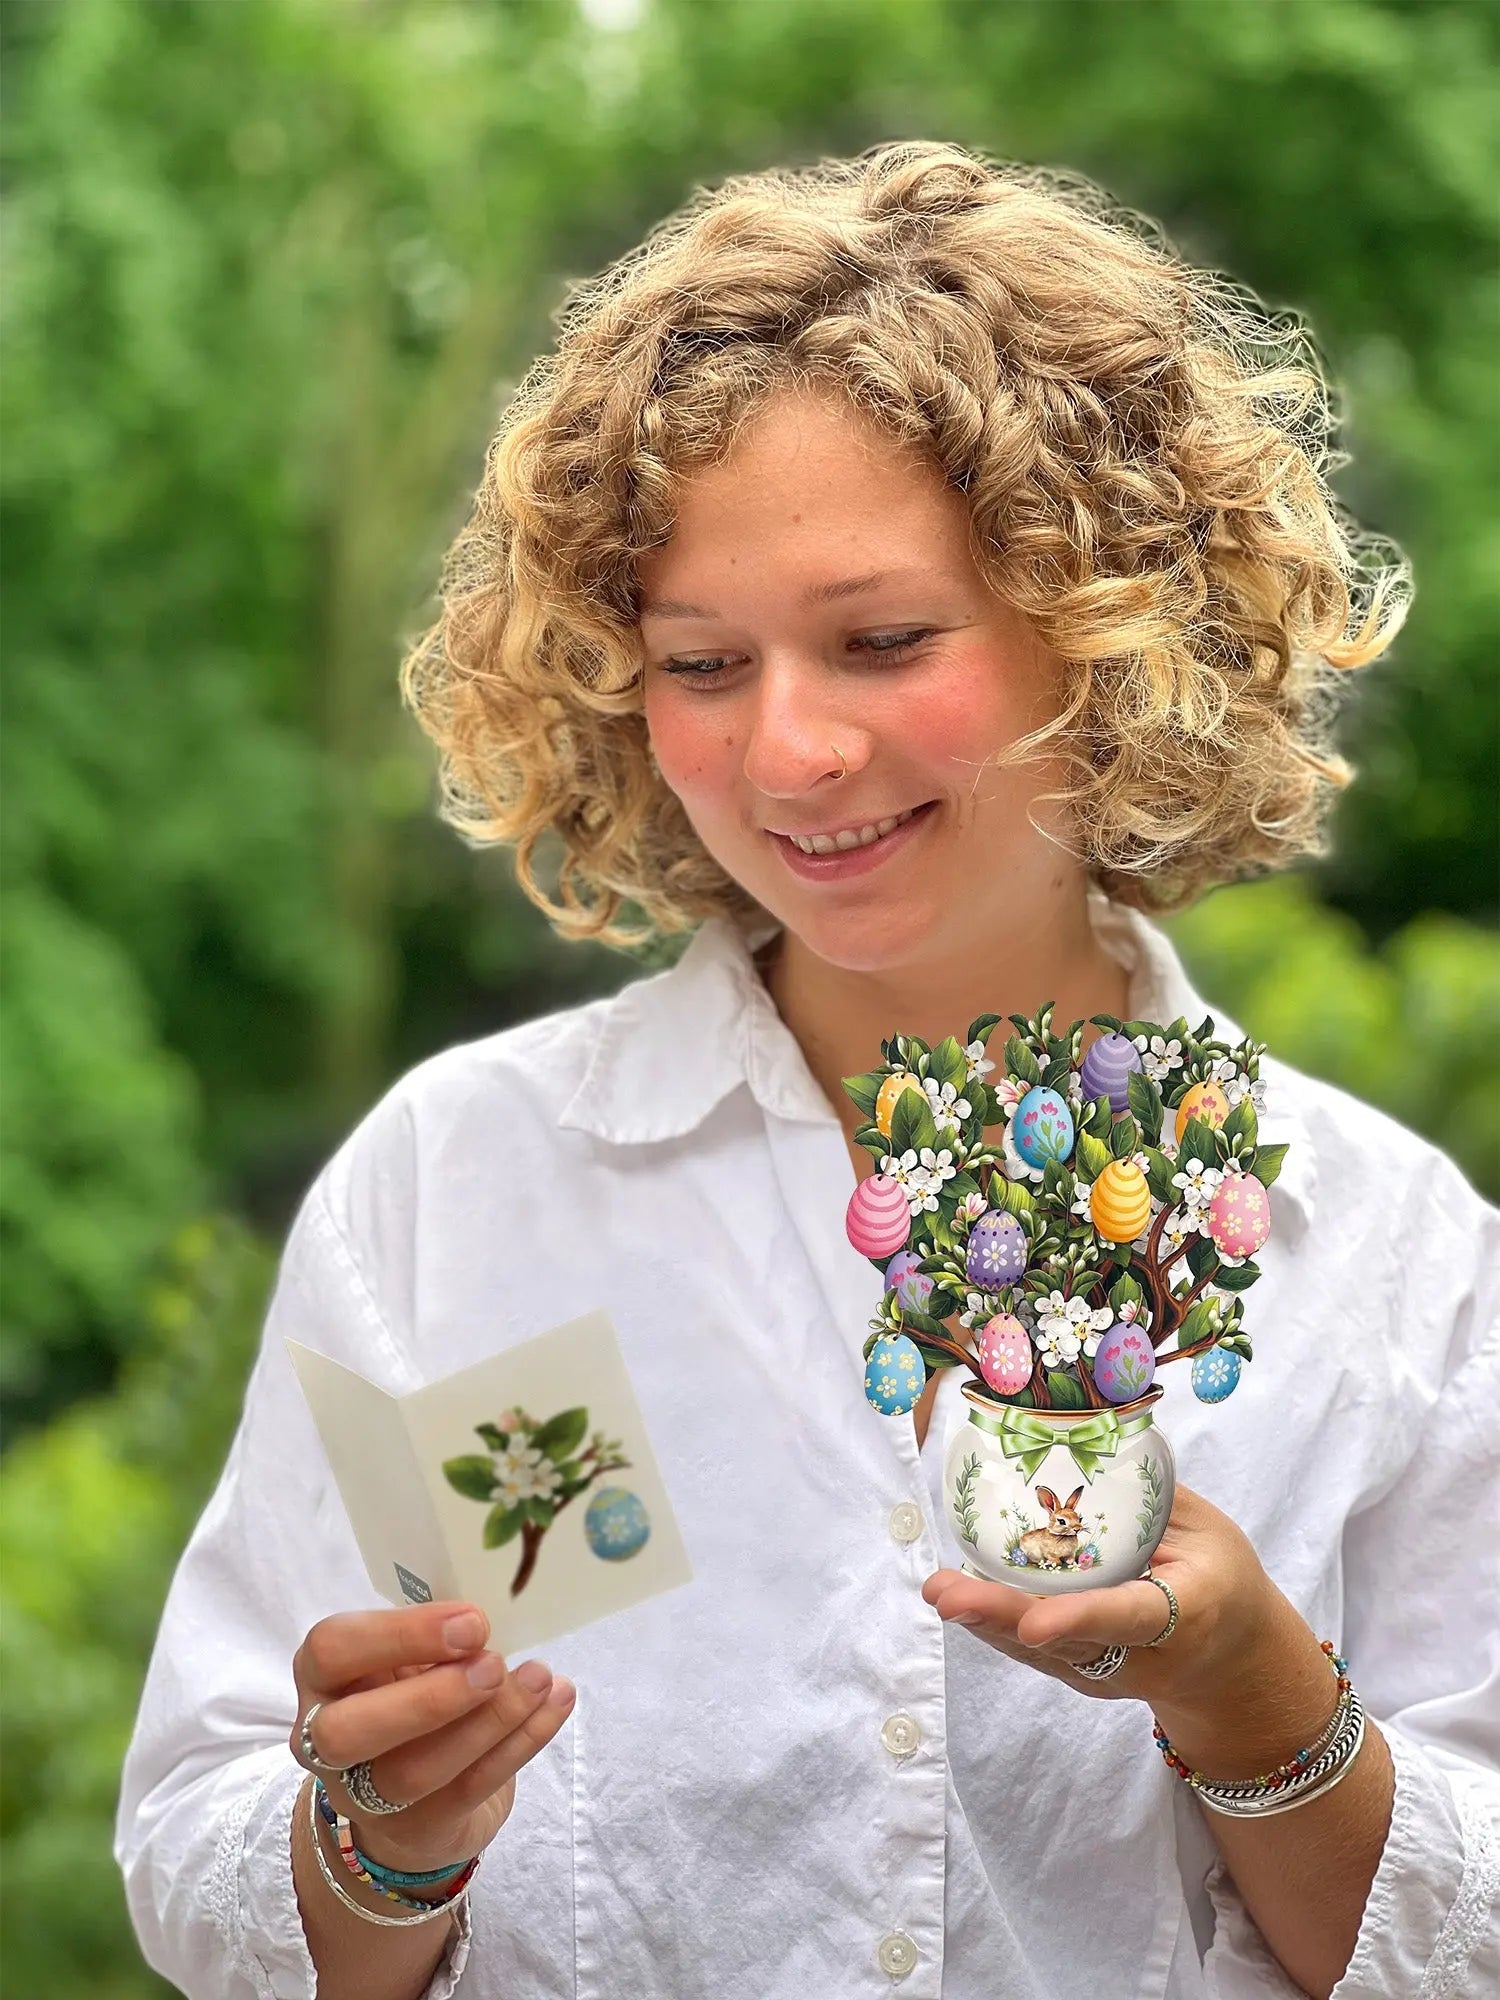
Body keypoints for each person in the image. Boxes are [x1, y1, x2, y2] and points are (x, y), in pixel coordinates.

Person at [115, 140, 1499, 2000]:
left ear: (1108, 626)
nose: (789, 752)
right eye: (699, 662)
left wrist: (1259, 1704)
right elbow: (205, 1863)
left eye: (882, 641)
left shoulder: (1391, 1257)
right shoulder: (465, 1190)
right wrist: (377, 1837)